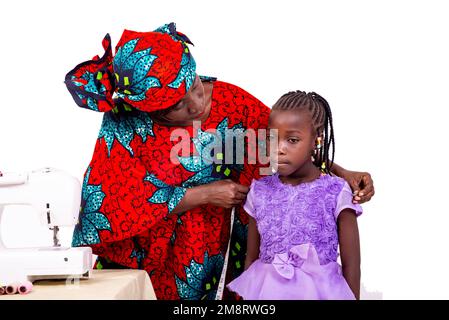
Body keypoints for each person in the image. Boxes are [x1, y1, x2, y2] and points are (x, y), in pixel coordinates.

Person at [64, 22, 374, 300]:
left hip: (197, 248)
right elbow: (108, 200)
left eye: (196, 87)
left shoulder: (230, 102)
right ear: (148, 110)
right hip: (134, 254)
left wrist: (341, 171)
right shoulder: (124, 124)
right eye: (179, 107)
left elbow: (286, 141)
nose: (197, 104)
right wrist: (204, 194)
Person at [227, 91, 362, 299]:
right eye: (272, 139)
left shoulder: (336, 191)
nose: (279, 149)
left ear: (316, 141)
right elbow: (251, 260)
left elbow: (352, 267)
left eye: (292, 140)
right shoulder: (259, 191)